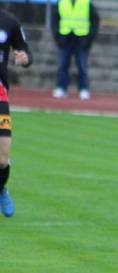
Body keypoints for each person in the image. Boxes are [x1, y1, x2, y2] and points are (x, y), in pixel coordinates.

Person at [0, 9, 32, 218]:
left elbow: (26, 52)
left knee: (2, 158)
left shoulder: (10, 22)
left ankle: (1, 188)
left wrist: (24, 58)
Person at [51, 0, 100, 100]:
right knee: (63, 65)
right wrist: (57, 37)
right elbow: (54, 20)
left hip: (81, 39)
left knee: (82, 66)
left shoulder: (86, 3)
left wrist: (89, 38)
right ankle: (61, 88)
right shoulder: (62, 2)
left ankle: (83, 89)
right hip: (65, 38)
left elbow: (95, 20)